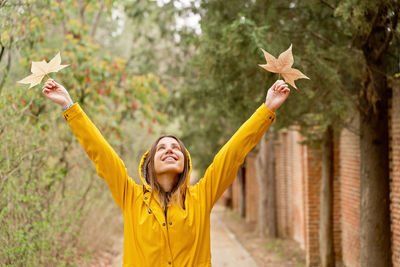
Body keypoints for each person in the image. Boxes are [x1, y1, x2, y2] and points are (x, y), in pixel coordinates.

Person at [42, 78, 290, 266]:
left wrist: (267, 109)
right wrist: (68, 105)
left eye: (176, 148)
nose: (170, 150)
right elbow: (101, 152)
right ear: (150, 162)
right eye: (161, 148)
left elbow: (233, 152)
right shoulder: (131, 197)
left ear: (185, 161)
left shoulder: (201, 196)